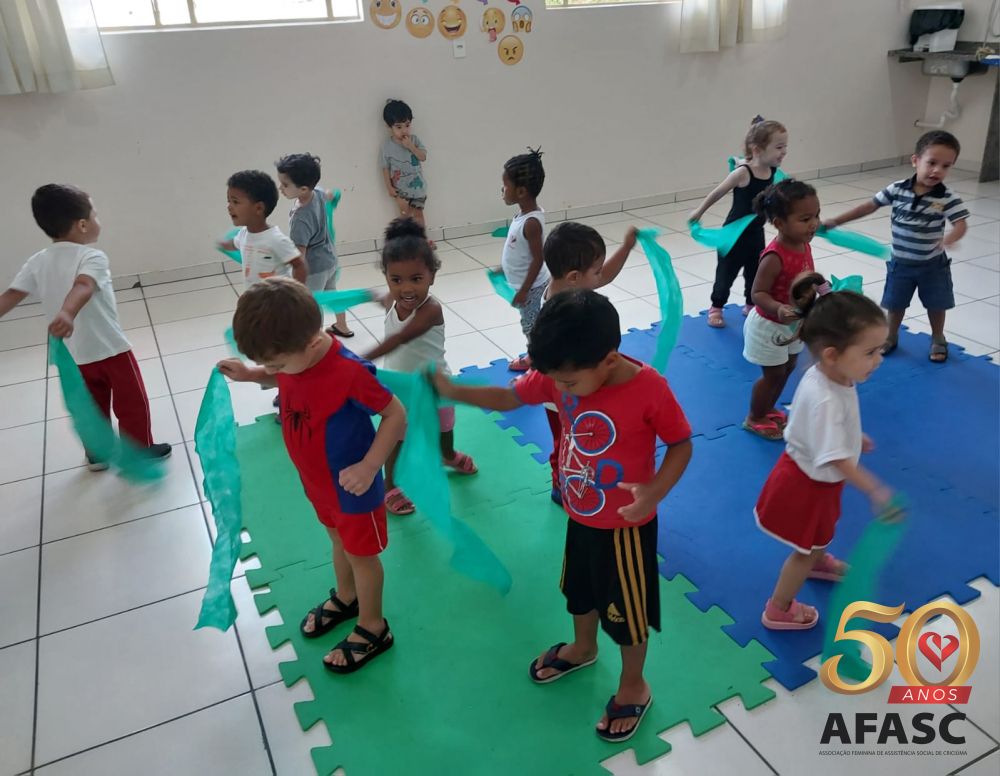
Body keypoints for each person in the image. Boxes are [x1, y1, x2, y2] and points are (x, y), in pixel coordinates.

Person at [433, 290, 692, 743]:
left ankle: (634, 683)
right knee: (579, 591)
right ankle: (583, 647)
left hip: (625, 527)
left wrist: (654, 492)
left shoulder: (648, 389)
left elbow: (681, 443)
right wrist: (456, 392)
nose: (560, 390)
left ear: (609, 360)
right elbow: (510, 397)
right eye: (555, 382)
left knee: (627, 615)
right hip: (581, 515)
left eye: (568, 384)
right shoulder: (562, 373)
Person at [218, 277, 406, 673]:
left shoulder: (348, 372)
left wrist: (369, 466)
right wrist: (253, 374)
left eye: (276, 363)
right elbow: (285, 375)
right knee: (338, 541)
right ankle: (347, 597)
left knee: (362, 556)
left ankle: (374, 627)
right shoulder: (295, 356)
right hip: (319, 484)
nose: (273, 371)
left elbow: (396, 414)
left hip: (353, 489)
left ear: (310, 342)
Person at [755, 273, 898, 629]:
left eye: (879, 350)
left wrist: (853, 435)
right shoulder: (825, 398)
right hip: (806, 485)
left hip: (816, 478)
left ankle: (818, 561)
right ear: (833, 354)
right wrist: (875, 489)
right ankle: (778, 608)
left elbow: (824, 427)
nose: (879, 359)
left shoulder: (830, 374)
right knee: (802, 552)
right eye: (870, 352)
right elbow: (833, 454)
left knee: (819, 535)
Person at [0, 184, 171, 471]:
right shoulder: (92, 257)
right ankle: (139, 449)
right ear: (82, 225)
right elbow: (84, 285)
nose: (97, 221)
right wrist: (68, 312)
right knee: (131, 401)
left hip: (74, 354)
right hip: (110, 348)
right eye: (95, 215)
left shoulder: (37, 261)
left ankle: (97, 454)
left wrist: (65, 314)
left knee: (90, 407)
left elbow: (12, 295)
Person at [362, 218, 478, 516]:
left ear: (432, 276)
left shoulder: (431, 309)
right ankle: (390, 485)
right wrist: (368, 295)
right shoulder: (391, 300)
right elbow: (383, 299)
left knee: (445, 426)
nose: (407, 288)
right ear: (387, 278)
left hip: (436, 384)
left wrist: (363, 358)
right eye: (396, 280)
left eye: (416, 278)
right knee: (396, 438)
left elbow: (400, 338)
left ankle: (447, 455)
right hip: (401, 390)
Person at [824, 130, 968, 362]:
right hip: (900, 263)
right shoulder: (897, 189)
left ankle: (938, 337)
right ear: (915, 160)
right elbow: (868, 207)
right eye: (932, 163)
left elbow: (961, 224)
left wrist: (950, 238)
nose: (937, 170)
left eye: (945, 166)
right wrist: (836, 221)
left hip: (932, 265)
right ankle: (890, 336)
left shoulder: (947, 197)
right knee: (895, 303)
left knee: (936, 304)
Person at [538, 221, 638, 505]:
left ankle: (581, 473)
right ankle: (560, 484)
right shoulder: (562, 315)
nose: (599, 276)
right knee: (564, 441)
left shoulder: (568, 287)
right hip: (561, 395)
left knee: (583, 437)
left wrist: (626, 247)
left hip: (580, 385)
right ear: (574, 276)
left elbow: (604, 276)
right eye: (595, 271)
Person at [688, 117, 788, 328]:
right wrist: (699, 211)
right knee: (726, 273)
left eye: (785, 147)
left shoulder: (772, 172)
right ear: (758, 150)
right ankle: (716, 307)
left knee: (756, 271)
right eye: (779, 147)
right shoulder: (743, 173)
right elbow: (718, 192)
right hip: (733, 236)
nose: (784, 152)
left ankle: (750, 304)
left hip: (756, 233)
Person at [742, 179, 818, 441]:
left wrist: (821, 289)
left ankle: (767, 408)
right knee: (773, 374)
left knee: (788, 367)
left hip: (793, 323)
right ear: (779, 223)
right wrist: (778, 308)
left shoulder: (804, 244)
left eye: (816, 216)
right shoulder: (774, 256)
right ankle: (755, 416)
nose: (814, 224)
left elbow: (806, 275)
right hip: (769, 326)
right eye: (805, 219)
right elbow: (758, 293)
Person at [276, 152, 353, 338]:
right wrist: (334, 197)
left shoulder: (300, 219)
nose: (280, 188)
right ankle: (342, 326)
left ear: (303, 189)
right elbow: (330, 195)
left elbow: (299, 255)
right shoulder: (317, 191)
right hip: (330, 259)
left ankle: (315, 337)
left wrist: (296, 281)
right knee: (332, 293)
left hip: (314, 269)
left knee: (312, 304)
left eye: (285, 185)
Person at [500, 147, 550, 371]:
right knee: (532, 324)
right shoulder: (522, 215)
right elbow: (521, 251)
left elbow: (538, 259)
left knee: (531, 326)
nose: (502, 190)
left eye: (505, 186)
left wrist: (524, 291)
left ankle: (537, 363)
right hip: (526, 286)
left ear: (520, 192)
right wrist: (505, 269)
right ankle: (538, 356)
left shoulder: (531, 223)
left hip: (532, 288)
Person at [218, 170, 306, 290]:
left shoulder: (275, 239)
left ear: (259, 208)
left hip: (277, 297)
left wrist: (296, 294)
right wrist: (222, 244)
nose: (229, 207)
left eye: (235, 202)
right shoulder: (243, 234)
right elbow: (234, 244)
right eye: (229, 201)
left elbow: (299, 266)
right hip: (255, 295)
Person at [381, 99, 430, 232]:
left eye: (407, 125)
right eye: (399, 127)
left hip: (418, 187)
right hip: (400, 190)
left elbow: (423, 157)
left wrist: (411, 146)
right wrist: (389, 187)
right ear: (389, 127)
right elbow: (385, 168)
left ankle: (421, 239)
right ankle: (406, 240)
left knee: (418, 214)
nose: (404, 130)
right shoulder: (387, 146)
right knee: (405, 215)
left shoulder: (414, 140)